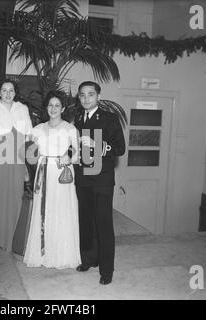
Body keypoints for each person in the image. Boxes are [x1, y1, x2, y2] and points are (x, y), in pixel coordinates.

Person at [73, 81, 125, 285]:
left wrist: (97, 144)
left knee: (103, 223)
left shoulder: (110, 118)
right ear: (79, 98)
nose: (86, 98)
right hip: (82, 177)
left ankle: (107, 270)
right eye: (82, 95)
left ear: (98, 97)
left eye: (90, 94)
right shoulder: (76, 119)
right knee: (86, 221)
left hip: (102, 178)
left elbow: (120, 148)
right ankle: (88, 260)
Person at [23, 91, 81, 269]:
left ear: (63, 108)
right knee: (43, 211)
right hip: (43, 171)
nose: (53, 108)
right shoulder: (37, 129)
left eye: (57, 105)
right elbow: (29, 154)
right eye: (50, 105)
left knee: (62, 211)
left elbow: (78, 155)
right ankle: (42, 254)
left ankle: (62, 255)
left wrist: (69, 157)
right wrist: (32, 160)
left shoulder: (70, 129)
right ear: (46, 107)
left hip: (62, 174)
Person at [0, 79, 32, 252]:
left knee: (14, 197)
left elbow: (28, 136)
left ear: (15, 92)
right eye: (4, 90)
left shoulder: (22, 108)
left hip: (17, 157)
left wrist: (26, 162)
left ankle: (11, 240)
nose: (8, 93)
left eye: (11, 90)